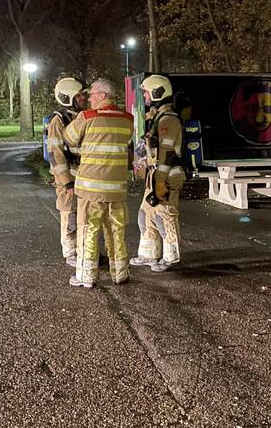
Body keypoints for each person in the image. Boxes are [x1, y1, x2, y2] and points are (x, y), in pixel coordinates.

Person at [62, 78, 134, 288]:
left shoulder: (87, 117)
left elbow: (69, 137)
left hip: (91, 191)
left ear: (102, 95)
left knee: (88, 231)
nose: (89, 98)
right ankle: (120, 274)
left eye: (92, 94)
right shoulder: (127, 119)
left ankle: (86, 277)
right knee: (117, 232)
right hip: (117, 191)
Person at [131, 75, 184, 272]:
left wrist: (160, 182)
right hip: (154, 178)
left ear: (157, 92)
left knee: (165, 216)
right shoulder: (157, 117)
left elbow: (167, 154)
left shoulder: (168, 120)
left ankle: (171, 257)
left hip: (166, 178)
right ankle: (148, 254)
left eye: (146, 91)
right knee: (145, 215)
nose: (144, 95)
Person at [46, 77, 86, 266]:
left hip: (82, 174)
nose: (82, 98)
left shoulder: (79, 117)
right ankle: (71, 252)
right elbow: (55, 154)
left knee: (85, 215)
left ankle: (85, 250)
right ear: (68, 97)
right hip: (68, 176)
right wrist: (66, 180)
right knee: (69, 212)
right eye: (78, 95)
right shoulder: (58, 121)